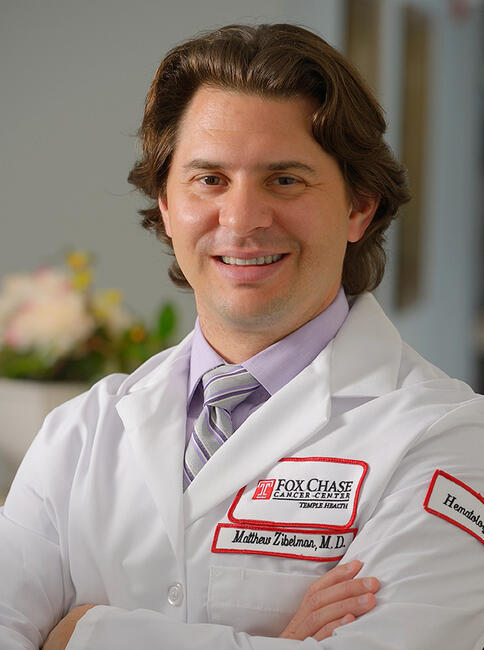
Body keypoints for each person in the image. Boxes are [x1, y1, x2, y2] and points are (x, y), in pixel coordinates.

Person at [1, 23, 483, 650]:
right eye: (210, 180)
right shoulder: (82, 432)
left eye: (285, 180)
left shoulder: (448, 437)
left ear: (359, 206)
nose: (243, 218)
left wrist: (82, 635)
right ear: (166, 205)